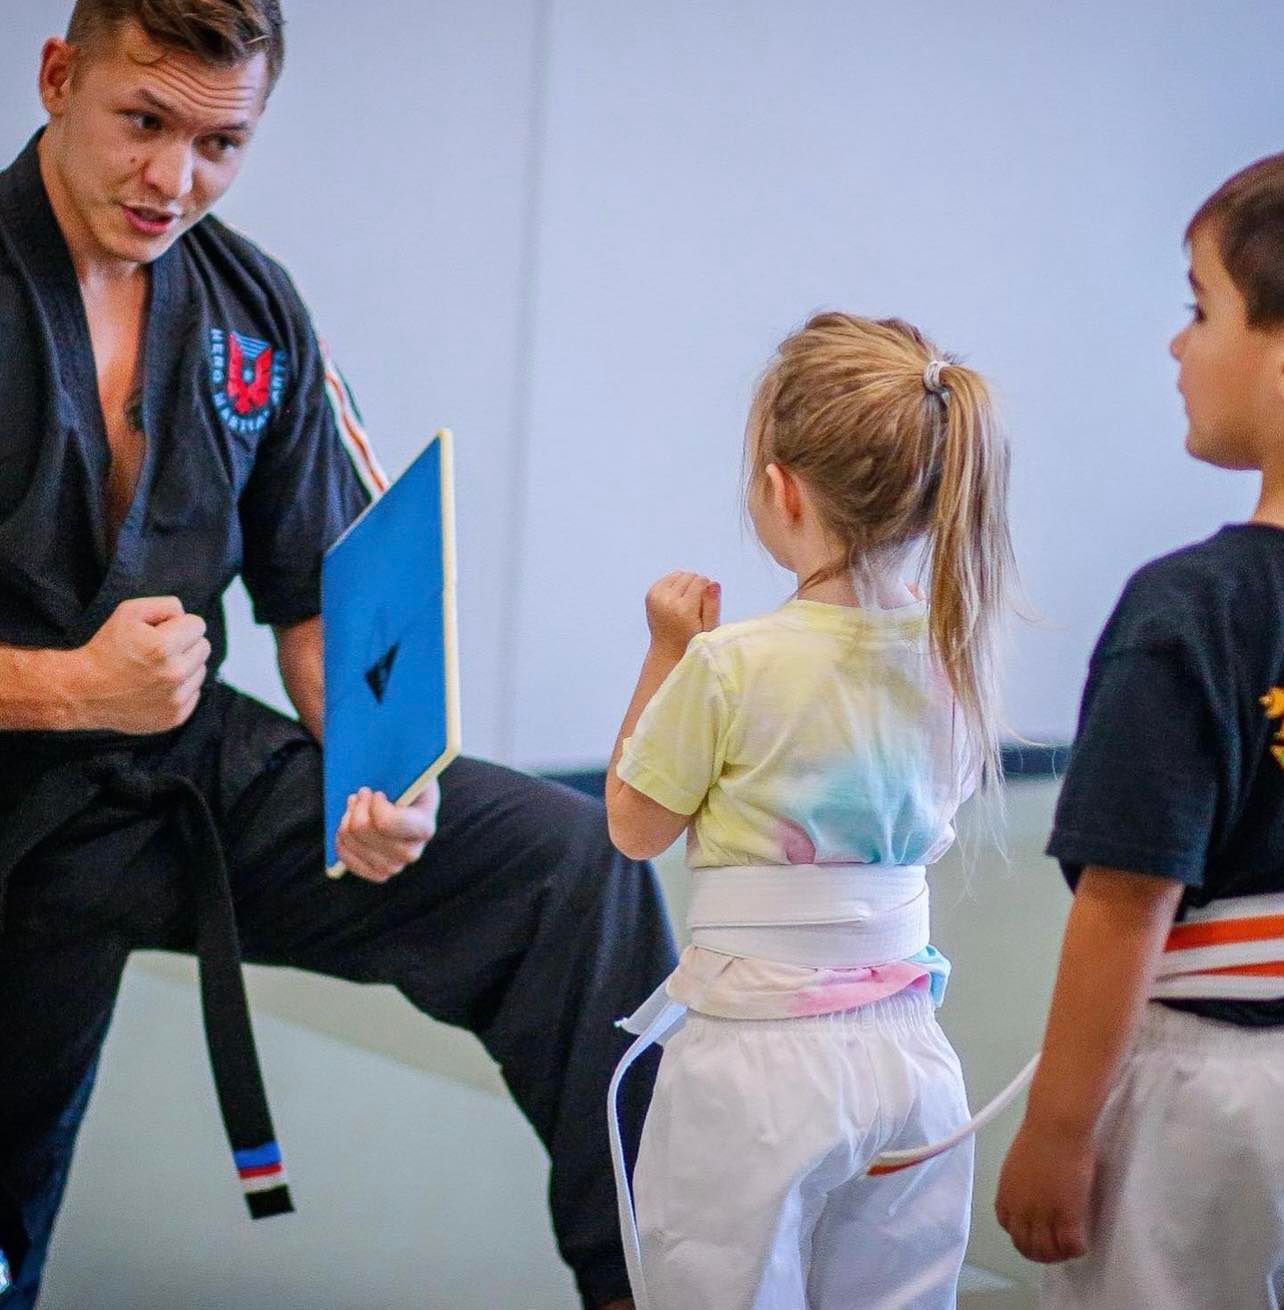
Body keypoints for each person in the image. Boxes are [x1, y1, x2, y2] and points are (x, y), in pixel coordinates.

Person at [0, 4, 673, 1307]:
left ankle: (654, 1281)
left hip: (174, 776)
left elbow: (324, 598)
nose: (173, 180)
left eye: (220, 143)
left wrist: (385, 772)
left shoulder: (250, 309)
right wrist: (70, 683)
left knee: (570, 868)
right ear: (58, 75)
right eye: (144, 123)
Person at [603, 312, 1016, 1309]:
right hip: (911, 1057)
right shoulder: (952, 657)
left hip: (756, 1065)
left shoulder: (729, 662)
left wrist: (665, 649)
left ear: (781, 487)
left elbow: (633, 822)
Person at [994, 155, 1284, 1307]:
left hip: (1206, 1107)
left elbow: (1126, 900)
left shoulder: (1191, 611)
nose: (1177, 346)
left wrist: (1057, 1133)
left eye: (1197, 307)